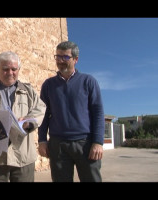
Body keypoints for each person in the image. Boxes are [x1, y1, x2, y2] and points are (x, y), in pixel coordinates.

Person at [0, 51, 46, 182]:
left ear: (19, 69)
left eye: (14, 69)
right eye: (5, 69)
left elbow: (40, 109)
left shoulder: (28, 91)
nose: (10, 73)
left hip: (23, 156)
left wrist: (28, 122)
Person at [38, 41, 105, 182]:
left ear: (76, 59)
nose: (60, 61)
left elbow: (98, 113)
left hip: (85, 144)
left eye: (65, 57)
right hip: (58, 145)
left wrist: (98, 142)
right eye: (58, 57)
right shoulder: (48, 85)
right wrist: (42, 140)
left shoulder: (88, 81)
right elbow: (42, 115)